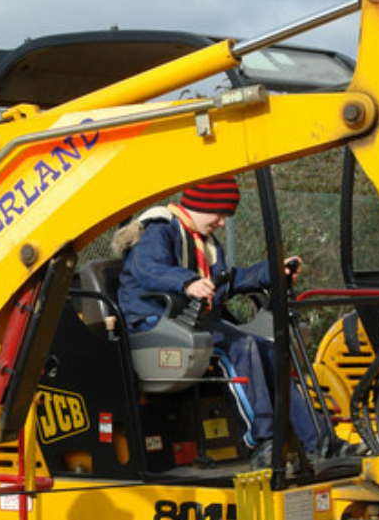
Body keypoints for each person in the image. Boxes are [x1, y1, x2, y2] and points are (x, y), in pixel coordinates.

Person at [112, 176, 321, 465]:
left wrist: (272, 272)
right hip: (152, 321)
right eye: (220, 213)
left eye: (226, 216)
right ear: (201, 204)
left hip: (188, 322)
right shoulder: (158, 230)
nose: (222, 222)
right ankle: (261, 441)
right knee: (240, 346)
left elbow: (224, 283)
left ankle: (317, 441)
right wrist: (187, 282)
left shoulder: (204, 243)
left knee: (269, 350)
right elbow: (149, 269)